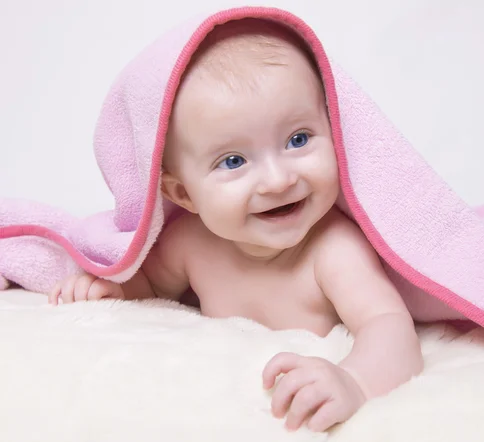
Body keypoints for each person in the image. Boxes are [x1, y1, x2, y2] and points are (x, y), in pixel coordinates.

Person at [49, 18, 423, 432]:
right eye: (233, 161)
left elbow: (387, 324)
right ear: (184, 195)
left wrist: (355, 380)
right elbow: (152, 287)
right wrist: (114, 288)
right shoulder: (190, 245)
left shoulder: (333, 249)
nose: (279, 180)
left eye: (298, 139)